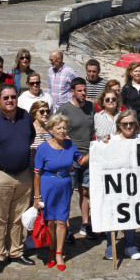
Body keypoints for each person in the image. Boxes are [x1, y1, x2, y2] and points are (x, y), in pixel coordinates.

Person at [0, 83, 36, 272]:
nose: (10, 100)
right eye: (6, 98)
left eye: (13, 97)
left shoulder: (24, 116)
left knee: (19, 217)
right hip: (1, 175)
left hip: (23, 175)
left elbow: (29, 139)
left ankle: (16, 252)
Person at [33, 115, 89, 271]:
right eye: (59, 128)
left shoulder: (70, 145)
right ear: (51, 130)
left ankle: (59, 253)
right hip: (47, 186)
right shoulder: (43, 148)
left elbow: (80, 161)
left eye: (64, 128)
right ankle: (51, 250)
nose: (62, 131)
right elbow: (37, 173)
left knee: (62, 221)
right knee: (50, 221)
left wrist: (95, 148)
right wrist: (37, 196)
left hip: (65, 186)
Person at [57, 78, 96, 239]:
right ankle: (66, 228)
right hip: (71, 157)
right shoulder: (65, 109)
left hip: (88, 156)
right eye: (79, 91)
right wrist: (65, 155)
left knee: (85, 191)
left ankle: (85, 224)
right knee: (67, 193)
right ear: (72, 91)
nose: (83, 93)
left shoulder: (91, 107)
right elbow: (56, 130)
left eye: (84, 90)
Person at [101, 110, 140, 260]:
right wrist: (102, 144)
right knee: (113, 213)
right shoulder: (111, 139)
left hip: (134, 184)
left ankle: (130, 245)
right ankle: (110, 245)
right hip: (115, 184)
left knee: (131, 213)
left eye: (131, 123)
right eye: (125, 124)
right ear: (119, 124)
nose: (128, 126)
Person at [29, 101, 52, 170]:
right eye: (42, 112)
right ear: (34, 114)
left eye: (47, 111)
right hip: (31, 169)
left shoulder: (50, 130)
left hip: (46, 169)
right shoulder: (28, 129)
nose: (45, 114)